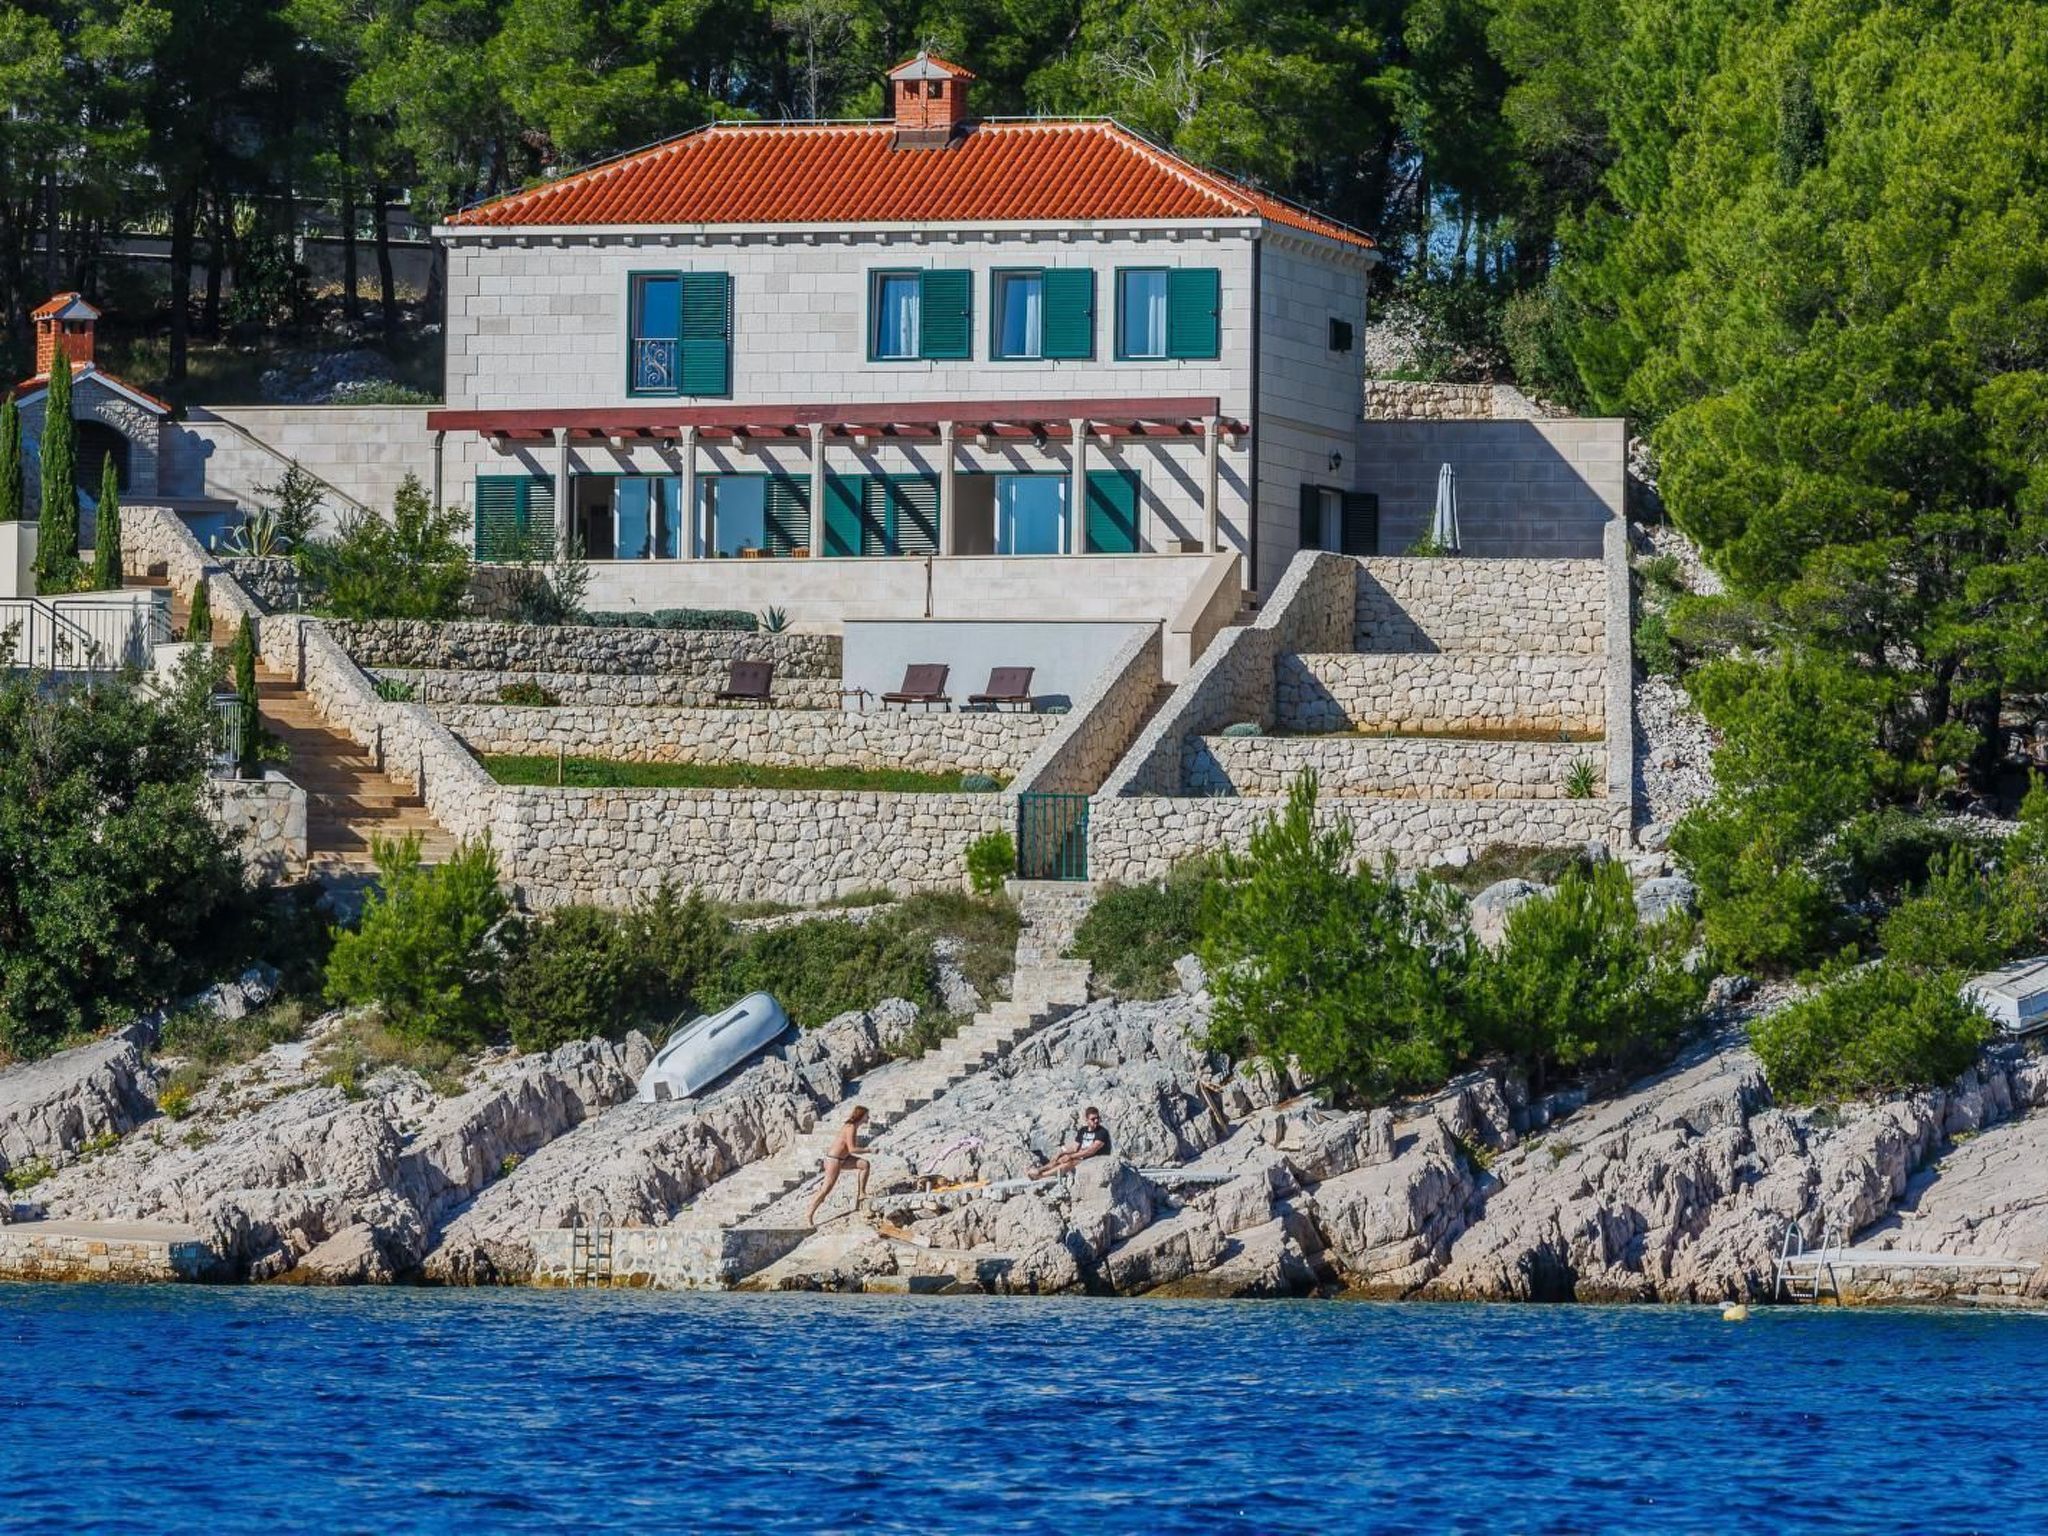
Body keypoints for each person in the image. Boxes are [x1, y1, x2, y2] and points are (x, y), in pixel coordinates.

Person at [805, 1105, 871, 1226]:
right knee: (826, 1189)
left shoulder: (853, 1127)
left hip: (843, 1158)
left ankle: (861, 1193)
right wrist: (868, 1150)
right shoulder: (850, 1127)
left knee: (865, 1165)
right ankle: (809, 1214)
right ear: (861, 1116)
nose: (868, 1118)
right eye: (867, 1115)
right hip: (834, 1160)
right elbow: (852, 1149)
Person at [1031, 1106, 1112, 1179]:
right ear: (1086, 1119)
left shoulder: (1102, 1132)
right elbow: (1074, 1147)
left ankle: (1041, 1176)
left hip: (1095, 1159)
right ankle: (1039, 1170)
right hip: (1082, 1155)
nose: (1096, 1121)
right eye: (1093, 1119)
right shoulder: (1083, 1130)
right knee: (1060, 1158)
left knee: (1070, 1162)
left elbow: (1091, 1151)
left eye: (1097, 1118)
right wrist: (1060, 1153)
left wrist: (1071, 1156)